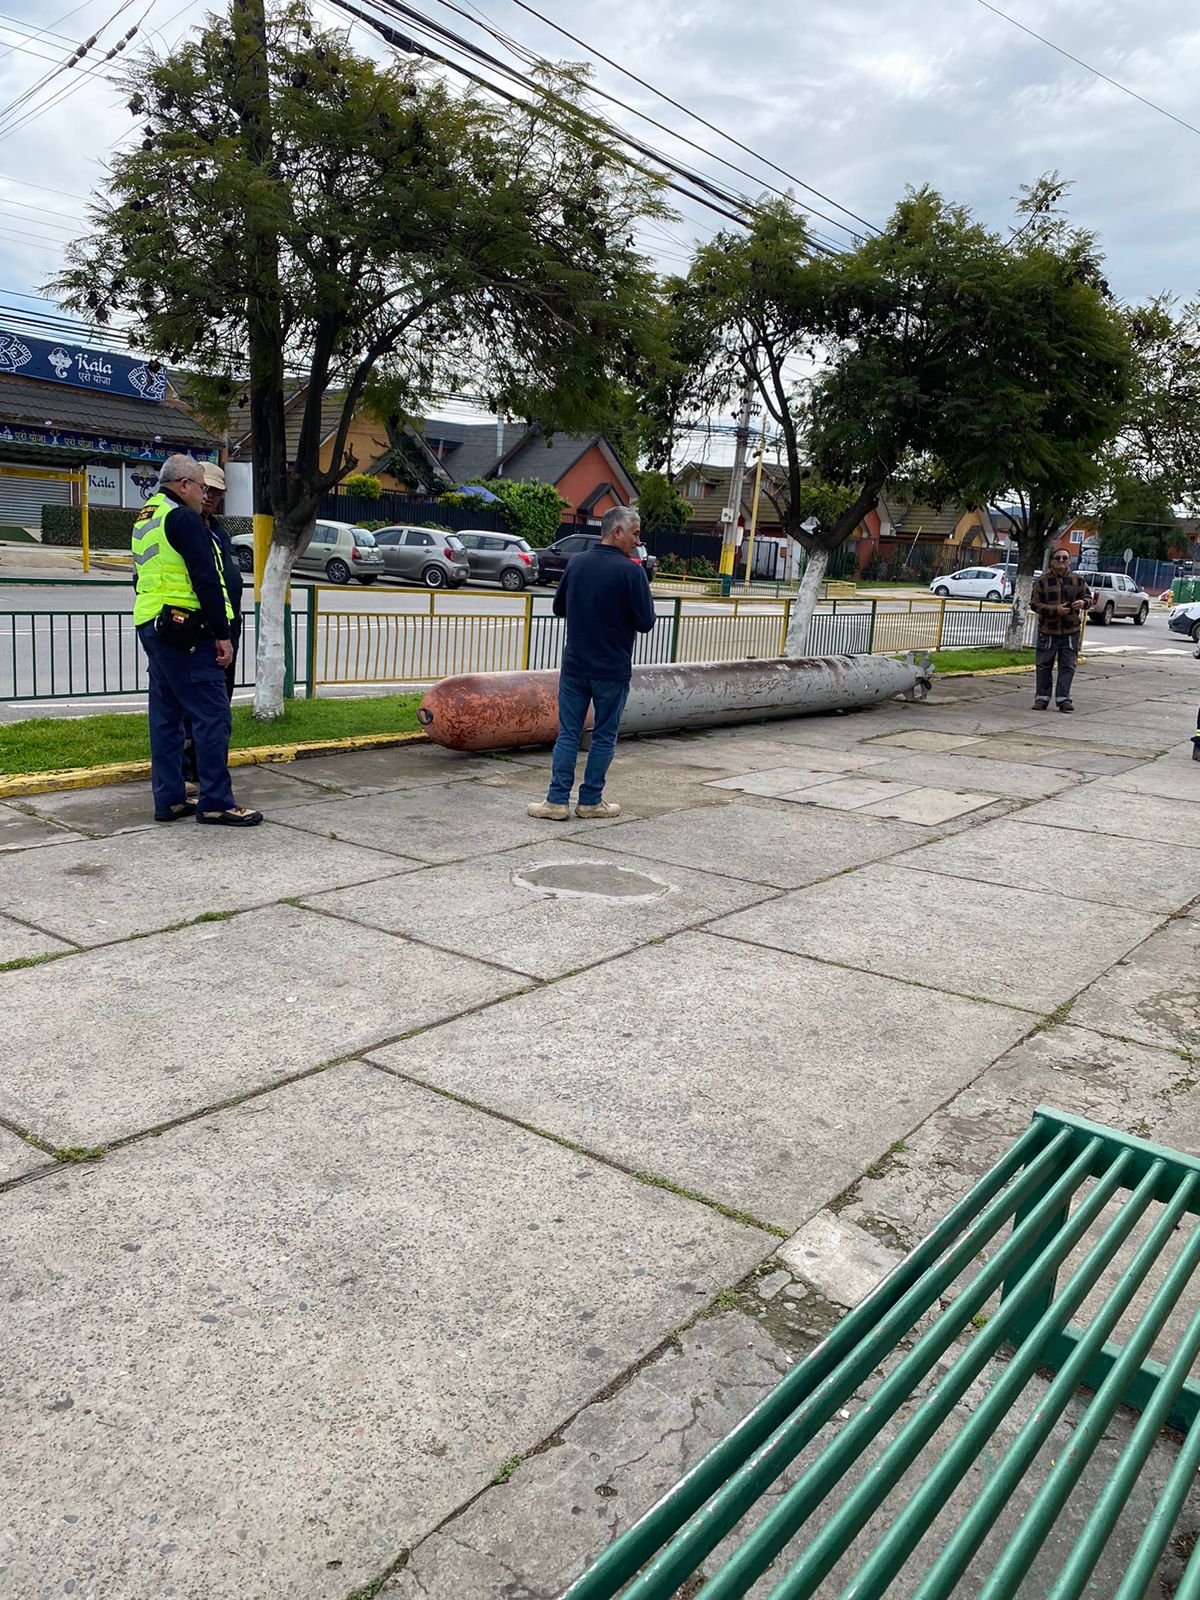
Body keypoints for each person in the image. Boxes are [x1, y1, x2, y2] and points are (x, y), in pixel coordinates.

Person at [132, 454, 263, 827]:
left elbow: (141, 574)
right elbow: (205, 579)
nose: (204, 495)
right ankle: (215, 802)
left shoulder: (148, 515)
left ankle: (170, 799)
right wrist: (223, 636)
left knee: (167, 716)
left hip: (154, 626)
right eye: (202, 487)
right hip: (188, 630)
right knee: (213, 714)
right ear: (185, 484)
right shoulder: (183, 518)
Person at [528, 505, 657, 820]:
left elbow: (559, 608)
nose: (638, 541)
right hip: (611, 670)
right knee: (603, 734)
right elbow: (646, 622)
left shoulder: (577, 564)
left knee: (568, 732)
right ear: (617, 532)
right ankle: (590, 801)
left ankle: (556, 801)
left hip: (575, 666)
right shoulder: (632, 571)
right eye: (635, 533)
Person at [181, 462, 244, 788]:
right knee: (199, 710)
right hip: (199, 633)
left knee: (220, 706)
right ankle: (192, 775)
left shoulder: (219, 532)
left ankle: (209, 770)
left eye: (216, 493)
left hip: (227, 630)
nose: (210, 498)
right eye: (206, 490)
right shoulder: (184, 525)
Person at [1029, 552, 1092, 712]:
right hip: (1047, 631)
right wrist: (1054, 610)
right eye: (1058, 558)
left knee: (1068, 666)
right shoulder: (1042, 581)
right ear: (1052, 561)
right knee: (1043, 666)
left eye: (1065, 558)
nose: (1061, 561)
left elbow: (1089, 598)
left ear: (1069, 561)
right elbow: (1034, 604)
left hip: (1071, 631)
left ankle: (1063, 699)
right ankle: (1042, 698)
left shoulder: (1077, 580)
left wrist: (1083, 603)